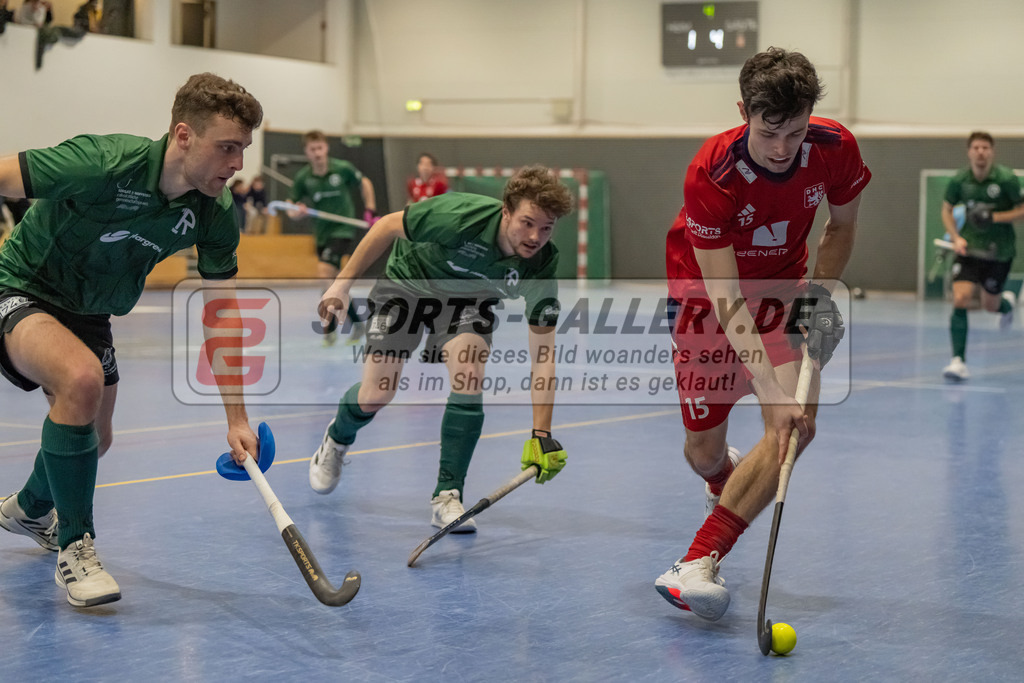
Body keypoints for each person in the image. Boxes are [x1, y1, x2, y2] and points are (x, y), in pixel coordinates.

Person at [0, 72, 264, 608]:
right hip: (22, 286)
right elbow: (5, 176)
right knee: (80, 379)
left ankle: (28, 509)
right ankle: (75, 549)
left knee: (96, 438)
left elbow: (222, 316)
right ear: (184, 136)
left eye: (244, 150)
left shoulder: (212, 213)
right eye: (228, 147)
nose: (238, 164)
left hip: (91, 310)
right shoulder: (101, 163)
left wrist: (236, 417)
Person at [656, 48, 870, 621]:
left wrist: (816, 297)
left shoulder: (833, 148)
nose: (781, 150)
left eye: (794, 133)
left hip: (780, 294)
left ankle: (696, 562)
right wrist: (767, 388)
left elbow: (841, 226)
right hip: (705, 298)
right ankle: (724, 481)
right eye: (768, 132)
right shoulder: (711, 172)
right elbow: (725, 297)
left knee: (794, 424)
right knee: (702, 454)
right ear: (743, 111)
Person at [309, 165, 572, 532]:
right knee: (376, 393)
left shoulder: (541, 265)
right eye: (527, 223)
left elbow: (544, 355)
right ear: (506, 211)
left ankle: (447, 494)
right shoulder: (459, 216)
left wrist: (541, 434)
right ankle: (337, 438)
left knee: (469, 374)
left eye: (546, 228)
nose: (535, 237)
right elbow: (386, 225)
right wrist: (340, 286)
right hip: (407, 284)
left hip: (469, 302)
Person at [940, 132, 1024, 381]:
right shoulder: (959, 181)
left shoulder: (1006, 179)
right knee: (961, 298)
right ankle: (959, 362)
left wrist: (994, 217)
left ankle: (1006, 306)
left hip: (999, 252)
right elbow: (946, 209)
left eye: (985, 147)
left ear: (992, 151)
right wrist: (955, 237)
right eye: (976, 147)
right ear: (969, 151)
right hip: (969, 251)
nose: (980, 152)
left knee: (991, 306)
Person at [288, 130, 377, 345]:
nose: (317, 153)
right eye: (312, 149)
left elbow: (364, 183)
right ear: (307, 152)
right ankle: (356, 326)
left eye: (320, 148)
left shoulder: (342, 169)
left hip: (342, 231)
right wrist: (296, 211)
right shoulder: (304, 178)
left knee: (325, 274)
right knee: (335, 283)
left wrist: (370, 209)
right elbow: (291, 206)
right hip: (322, 234)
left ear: (326, 148)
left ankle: (329, 329)